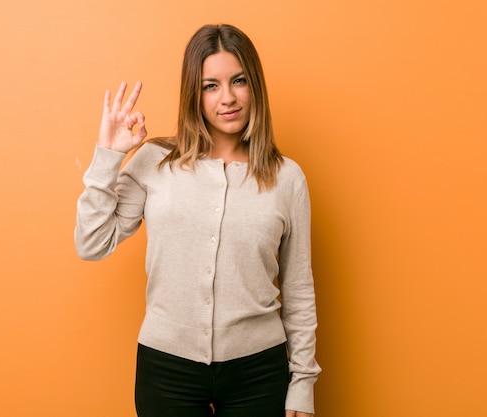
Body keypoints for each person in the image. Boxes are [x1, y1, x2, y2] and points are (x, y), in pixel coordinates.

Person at [75, 23, 321, 417]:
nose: (228, 98)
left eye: (238, 81)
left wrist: (303, 383)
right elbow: (91, 243)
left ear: (254, 85)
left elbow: (298, 289)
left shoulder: (286, 178)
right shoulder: (154, 161)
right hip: (166, 369)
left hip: (258, 370)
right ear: (194, 93)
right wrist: (107, 154)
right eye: (211, 85)